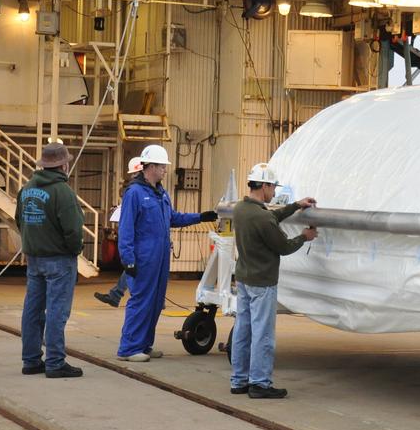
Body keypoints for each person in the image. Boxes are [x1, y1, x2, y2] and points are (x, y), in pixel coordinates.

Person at [116, 144, 217, 361]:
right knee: (141, 301)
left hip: (160, 259)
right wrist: (128, 260)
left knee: (155, 302)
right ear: (150, 166)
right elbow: (125, 229)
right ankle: (128, 348)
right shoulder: (134, 194)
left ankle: (144, 344)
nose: (165, 170)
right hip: (143, 258)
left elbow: (173, 218)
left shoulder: (161, 193)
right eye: (162, 166)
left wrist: (200, 217)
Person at [230, 162, 317, 399]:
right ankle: (259, 382)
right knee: (263, 333)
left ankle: (239, 379)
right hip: (262, 282)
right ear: (265, 185)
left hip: (245, 278)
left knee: (243, 329)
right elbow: (283, 246)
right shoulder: (261, 218)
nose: (274, 192)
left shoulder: (240, 209)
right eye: (273, 187)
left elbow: (270, 216)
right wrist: (304, 237)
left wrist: (295, 206)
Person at [16, 141, 85, 379]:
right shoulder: (63, 192)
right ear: (64, 165)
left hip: (34, 259)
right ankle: (55, 362)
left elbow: (19, 221)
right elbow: (74, 230)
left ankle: (31, 360)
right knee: (57, 311)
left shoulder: (26, 189)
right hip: (59, 260)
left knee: (33, 309)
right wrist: (74, 251)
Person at [94, 156, 143, 308]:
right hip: (141, 238)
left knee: (138, 268)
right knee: (133, 268)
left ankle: (117, 295)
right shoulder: (142, 191)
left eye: (134, 175)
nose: (133, 178)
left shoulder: (139, 191)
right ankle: (116, 295)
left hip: (142, 239)